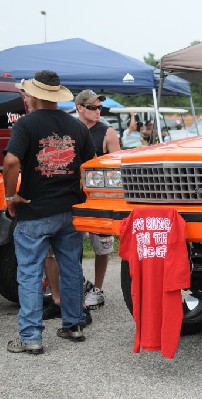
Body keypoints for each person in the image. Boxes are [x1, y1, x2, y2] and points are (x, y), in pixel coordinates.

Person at [4, 70, 96, 354]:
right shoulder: (77, 127)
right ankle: (74, 325)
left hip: (34, 211)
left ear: (33, 95)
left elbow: (10, 161)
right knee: (71, 268)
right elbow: (90, 167)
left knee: (30, 272)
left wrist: (11, 196)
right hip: (69, 210)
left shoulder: (26, 125)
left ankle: (31, 337)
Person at [75, 90, 121, 308]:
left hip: (100, 198)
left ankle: (98, 289)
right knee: (71, 245)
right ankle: (79, 284)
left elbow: (117, 165)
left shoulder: (107, 132)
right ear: (80, 108)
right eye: (93, 107)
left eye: (99, 107)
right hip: (74, 196)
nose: (97, 111)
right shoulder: (70, 129)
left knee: (102, 246)